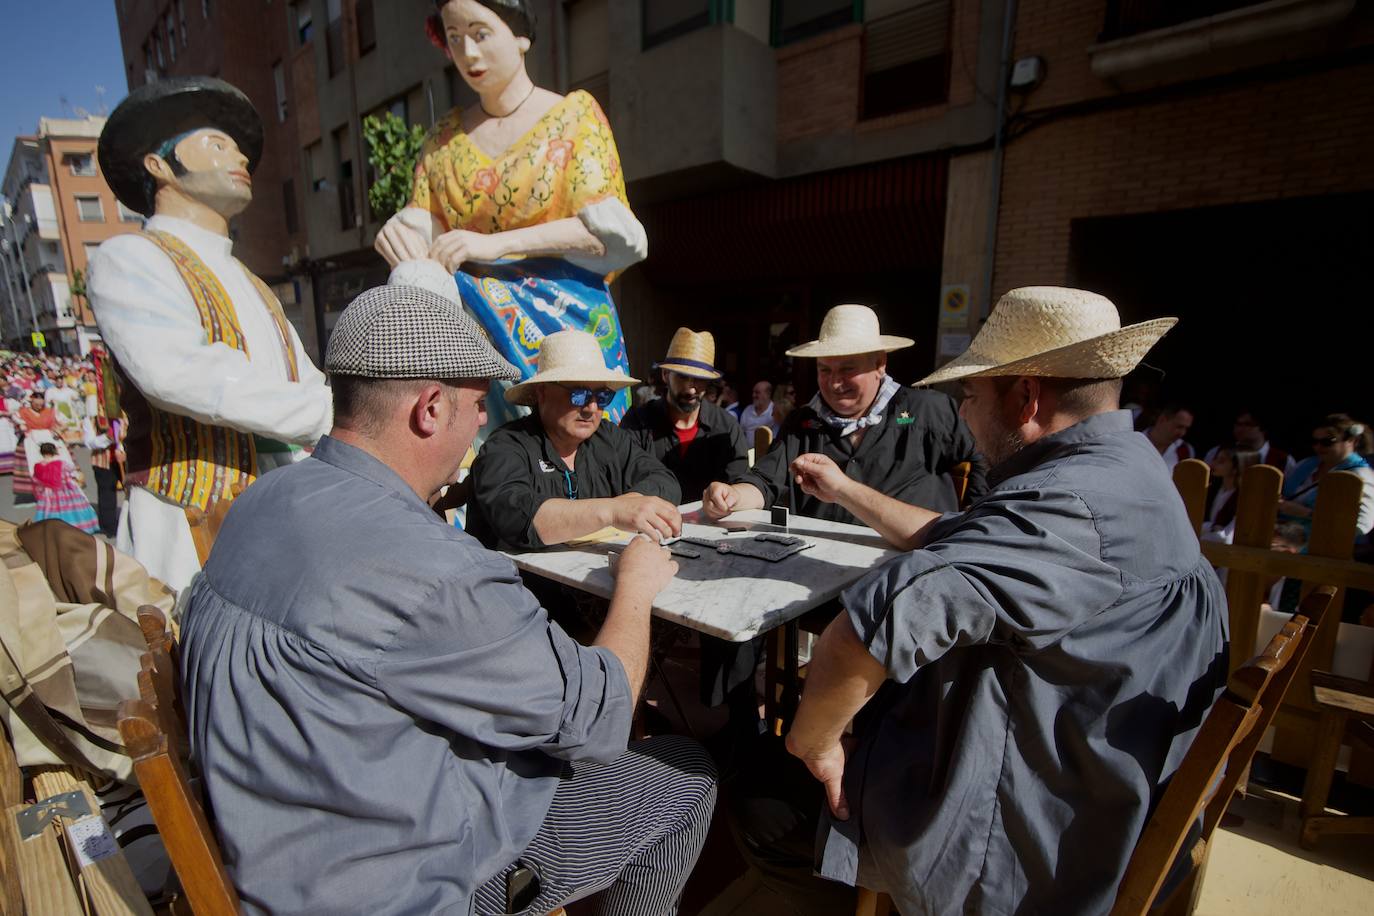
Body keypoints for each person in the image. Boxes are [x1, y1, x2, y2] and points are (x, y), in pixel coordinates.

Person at [179, 285, 715, 915]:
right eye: (474, 401)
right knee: (686, 773)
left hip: (287, 837)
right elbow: (603, 715)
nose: (482, 417)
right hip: (405, 883)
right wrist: (636, 587)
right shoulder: (435, 567)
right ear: (430, 408)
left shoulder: (257, 503)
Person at [733, 287, 1229, 915]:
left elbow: (864, 632)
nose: (963, 414)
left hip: (1025, 836)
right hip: (1100, 770)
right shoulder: (1127, 469)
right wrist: (846, 491)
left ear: (1026, 397)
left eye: (970, 396)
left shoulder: (1060, 509)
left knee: (758, 793)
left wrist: (816, 746)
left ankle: (873, 893)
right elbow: (962, 534)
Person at [89, 76, 331, 591]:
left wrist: (341, 414)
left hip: (282, 512)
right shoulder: (130, 258)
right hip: (186, 521)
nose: (238, 155)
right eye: (217, 143)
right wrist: (327, 415)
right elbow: (184, 373)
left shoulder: (252, 284)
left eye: (237, 145)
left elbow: (305, 378)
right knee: (198, 655)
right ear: (159, 164)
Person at [376, 0, 646, 435]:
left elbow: (618, 238)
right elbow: (425, 228)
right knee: (480, 454)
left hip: (562, 321)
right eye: (455, 38)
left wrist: (494, 244)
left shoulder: (572, 118)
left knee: (578, 453)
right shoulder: (443, 139)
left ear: (520, 36)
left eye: (481, 34)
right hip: (470, 329)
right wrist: (401, 231)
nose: (468, 54)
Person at [704, 303, 986, 525]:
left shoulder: (928, 410)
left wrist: (975, 519)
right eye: (825, 370)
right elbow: (767, 481)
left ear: (880, 363)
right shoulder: (803, 422)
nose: (834, 383)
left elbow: (985, 457)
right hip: (819, 576)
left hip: (909, 572)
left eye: (848, 369)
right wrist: (732, 496)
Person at [466, 329, 681, 551]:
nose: (592, 408)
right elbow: (516, 515)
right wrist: (614, 511)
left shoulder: (608, 438)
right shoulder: (506, 446)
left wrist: (631, 505)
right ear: (542, 393)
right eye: (579, 394)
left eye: (602, 396)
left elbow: (664, 481)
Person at [621, 328, 749, 501]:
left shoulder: (727, 428)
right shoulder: (637, 423)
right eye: (682, 377)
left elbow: (737, 484)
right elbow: (622, 477)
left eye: (700, 379)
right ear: (666, 375)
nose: (691, 388)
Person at [1279, 413, 1374, 536]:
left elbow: (1361, 525)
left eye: (1327, 442)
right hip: (1284, 537)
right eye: (1314, 441)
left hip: (1325, 547)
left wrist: (1307, 513)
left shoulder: (1361, 474)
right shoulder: (1306, 464)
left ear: (1352, 440)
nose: (1318, 447)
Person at [31, 442, 100, 534]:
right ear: (54, 451)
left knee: (49, 511)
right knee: (71, 510)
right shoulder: (61, 464)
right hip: (64, 490)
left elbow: (36, 481)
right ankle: (76, 527)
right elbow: (71, 471)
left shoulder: (38, 466)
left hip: (47, 494)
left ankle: (52, 531)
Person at [1204, 408, 1295, 475]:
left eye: (1248, 424)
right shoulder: (1217, 451)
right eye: (1238, 424)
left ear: (1263, 428)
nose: (1240, 428)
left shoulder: (1284, 460)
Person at [1202, 447, 1260, 544]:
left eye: (1221, 461)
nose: (1213, 464)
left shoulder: (1244, 499)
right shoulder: (1212, 489)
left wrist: (1206, 529)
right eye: (1215, 459)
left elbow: (1226, 538)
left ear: (1237, 468)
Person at [1141, 403, 1195, 469]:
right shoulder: (1134, 441)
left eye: (1186, 428)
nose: (1182, 433)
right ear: (1162, 419)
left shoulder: (1185, 450)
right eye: (1179, 427)